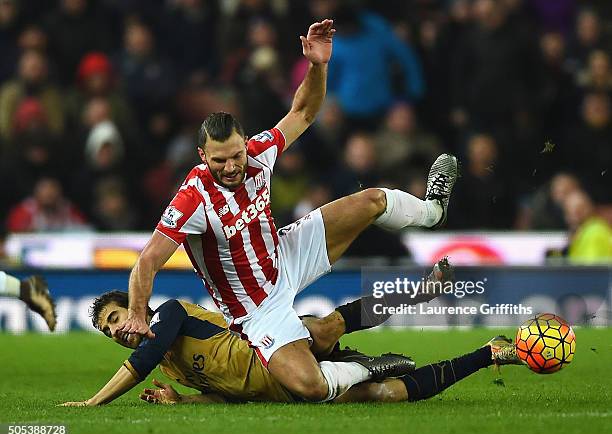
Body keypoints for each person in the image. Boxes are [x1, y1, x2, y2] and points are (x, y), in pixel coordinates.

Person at [117, 19, 459, 403]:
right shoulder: (192, 199)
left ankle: (433, 211)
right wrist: (137, 313)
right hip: (255, 309)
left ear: (246, 143)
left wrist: (318, 65)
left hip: (287, 253)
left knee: (372, 200)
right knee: (309, 386)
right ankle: (368, 367)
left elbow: (304, 112)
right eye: (219, 161)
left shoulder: (260, 154)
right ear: (202, 156)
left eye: (236, 156)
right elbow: (146, 262)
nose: (231, 167)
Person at [60, 285, 520, 406]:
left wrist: (92, 402)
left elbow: (140, 360)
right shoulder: (170, 368)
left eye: (116, 318)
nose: (116, 330)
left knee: (325, 328)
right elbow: (225, 394)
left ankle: (420, 292)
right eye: (108, 330)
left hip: (276, 345)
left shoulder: (168, 316)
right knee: (388, 395)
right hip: (282, 388)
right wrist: (182, 398)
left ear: (135, 306)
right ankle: (489, 353)